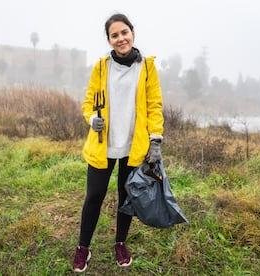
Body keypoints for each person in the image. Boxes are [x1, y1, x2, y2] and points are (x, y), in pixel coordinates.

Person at [72, 13, 164, 273]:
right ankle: (83, 248)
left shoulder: (147, 67)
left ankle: (120, 243)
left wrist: (155, 141)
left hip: (133, 147)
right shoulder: (101, 67)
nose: (120, 38)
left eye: (124, 32)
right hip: (103, 145)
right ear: (109, 40)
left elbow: (154, 105)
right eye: (115, 35)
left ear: (132, 33)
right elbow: (89, 101)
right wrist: (91, 119)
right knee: (94, 196)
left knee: (127, 198)